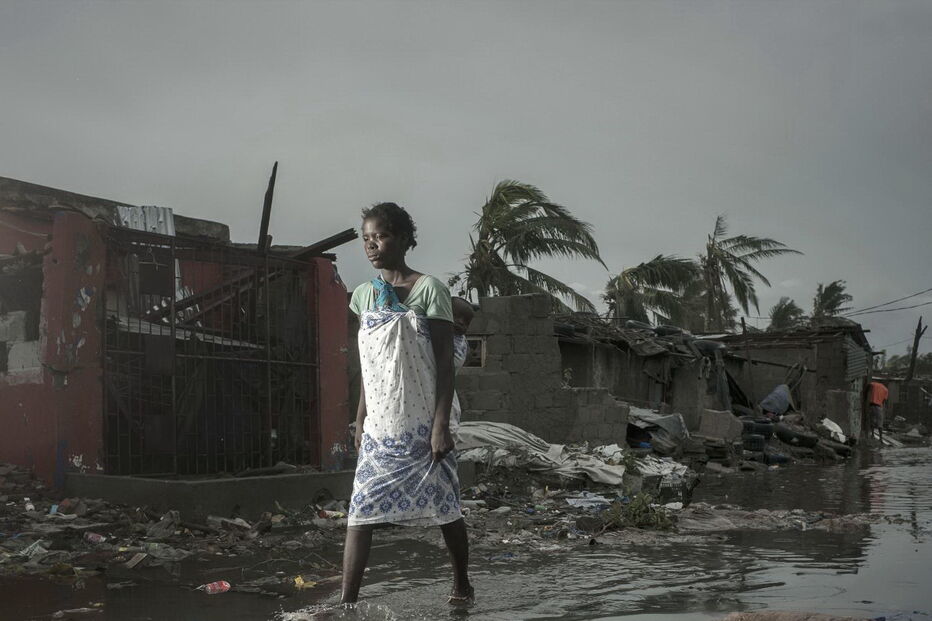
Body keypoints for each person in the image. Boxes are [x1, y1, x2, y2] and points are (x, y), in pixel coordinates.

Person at [341, 202, 473, 605]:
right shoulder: (363, 296)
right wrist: (360, 418)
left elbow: (444, 364)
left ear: (401, 238)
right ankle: (347, 602)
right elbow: (370, 364)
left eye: (379, 236)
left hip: (422, 426)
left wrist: (440, 426)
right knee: (359, 513)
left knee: (446, 509)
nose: (371, 245)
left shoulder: (429, 289)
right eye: (366, 239)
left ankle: (461, 582)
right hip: (382, 425)